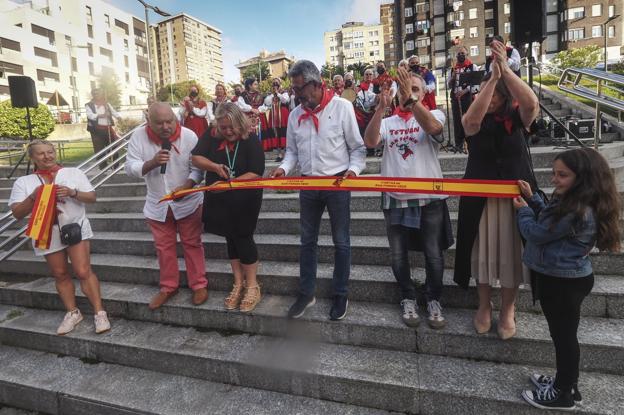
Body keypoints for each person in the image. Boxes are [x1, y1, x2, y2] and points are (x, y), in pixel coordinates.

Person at [515, 148, 621, 410]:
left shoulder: (576, 209)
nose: (554, 179)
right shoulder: (575, 201)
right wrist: (534, 199)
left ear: (583, 177)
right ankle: (567, 383)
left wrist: (522, 211)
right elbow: (551, 221)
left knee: (563, 337)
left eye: (562, 175)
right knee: (564, 335)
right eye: (554, 173)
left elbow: (538, 232)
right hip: (570, 278)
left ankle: (563, 393)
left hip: (562, 282)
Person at [453, 39, 539, 340]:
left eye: (494, 93)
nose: (488, 97)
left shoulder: (517, 116)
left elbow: (531, 105)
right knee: (481, 253)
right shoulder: (479, 110)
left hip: (516, 196)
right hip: (481, 196)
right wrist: (490, 80)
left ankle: (508, 309)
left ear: (505, 96)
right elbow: (469, 124)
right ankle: (483, 306)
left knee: (512, 255)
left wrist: (504, 70)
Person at [272, 60, 366, 321]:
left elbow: (357, 149)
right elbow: (291, 152)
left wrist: (353, 171)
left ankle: (340, 293)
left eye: (300, 89)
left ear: (316, 84)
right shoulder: (294, 114)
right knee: (307, 242)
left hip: (337, 184)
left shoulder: (342, 107)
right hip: (307, 185)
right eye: (294, 89)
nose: (297, 94)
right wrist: (283, 168)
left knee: (341, 242)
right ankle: (306, 293)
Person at [364, 68, 453, 328]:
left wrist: (411, 100)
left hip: (429, 197)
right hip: (395, 198)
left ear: (424, 94)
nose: (407, 93)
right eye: (403, 89)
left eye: (415, 89)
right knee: (398, 255)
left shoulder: (434, 114)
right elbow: (370, 142)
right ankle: (407, 296)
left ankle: (434, 298)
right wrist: (380, 109)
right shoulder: (389, 123)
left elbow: (434, 128)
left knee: (433, 254)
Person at [9, 140, 110, 335]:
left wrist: (73, 192)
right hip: (46, 231)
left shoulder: (73, 173)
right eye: (41, 154)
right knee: (60, 273)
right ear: (32, 158)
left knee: (82, 271)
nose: (47, 156)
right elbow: (17, 213)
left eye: (50, 151)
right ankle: (72, 313)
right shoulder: (24, 182)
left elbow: (92, 197)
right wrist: (33, 197)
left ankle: (99, 312)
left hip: (75, 227)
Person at [125, 102, 208, 310]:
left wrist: (187, 186)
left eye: (169, 121)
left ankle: (198, 284)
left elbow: (197, 169)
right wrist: (151, 163)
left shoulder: (189, 136)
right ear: (148, 121)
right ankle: (169, 287)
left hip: (188, 202)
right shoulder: (138, 137)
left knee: (192, 243)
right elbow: (130, 166)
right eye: (159, 123)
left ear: (175, 118)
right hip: (157, 204)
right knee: (164, 248)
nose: (165, 127)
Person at [191, 103, 265, 312]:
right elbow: (196, 158)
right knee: (229, 236)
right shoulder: (212, 134)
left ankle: (252, 286)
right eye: (224, 128)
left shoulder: (250, 139)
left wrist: (229, 185)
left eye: (231, 127)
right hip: (219, 196)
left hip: (244, 198)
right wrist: (214, 167)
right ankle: (238, 283)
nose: (228, 132)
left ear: (240, 123)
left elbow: (256, 172)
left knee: (243, 236)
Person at [447, 46, 479, 151]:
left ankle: (471, 143)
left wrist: (464, 91)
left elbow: (476, 84)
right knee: (457, 121)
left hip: (467, 97)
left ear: (467, 54)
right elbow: (449, 85)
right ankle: (458, 144)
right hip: (456, 98)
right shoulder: (453, 69)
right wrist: (452, 78)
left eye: (463, 54)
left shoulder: (472, 67)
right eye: (459, 54)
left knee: (468, 119)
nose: (461, 56)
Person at [85, 88, 121, 169]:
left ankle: (116, 165)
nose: (97, 95)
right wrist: (100, 115)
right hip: (95, 130)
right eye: (95, 93)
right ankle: (103, 167)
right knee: (99, 149)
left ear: (101, 94)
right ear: (93, 95)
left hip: (107, 128)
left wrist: (119, 117)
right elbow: (89, 115)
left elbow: (113, 111)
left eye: (98, 93)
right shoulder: (89, 105)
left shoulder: (106, 103)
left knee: (113, 146)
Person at [260, 78, 290, 160]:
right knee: (275, 133)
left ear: (280, 84)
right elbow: (267, 103)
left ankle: (287, 153)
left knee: (284, 132)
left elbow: (285, 100)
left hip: (283, 116)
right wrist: (273, 94)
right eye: (274, 83)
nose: (275, 85)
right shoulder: (270, 95)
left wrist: (278, 93)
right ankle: (279, 154)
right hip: (273, 116)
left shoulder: (284, 93)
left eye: (277, 83)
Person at [354, 68, 378, 141]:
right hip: (364, 114)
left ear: (373, 76)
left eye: (370, 74)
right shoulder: (359, 87)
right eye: (366, 74)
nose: (368, 76)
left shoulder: (378, 85)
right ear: (363, 76)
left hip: (376, 113)